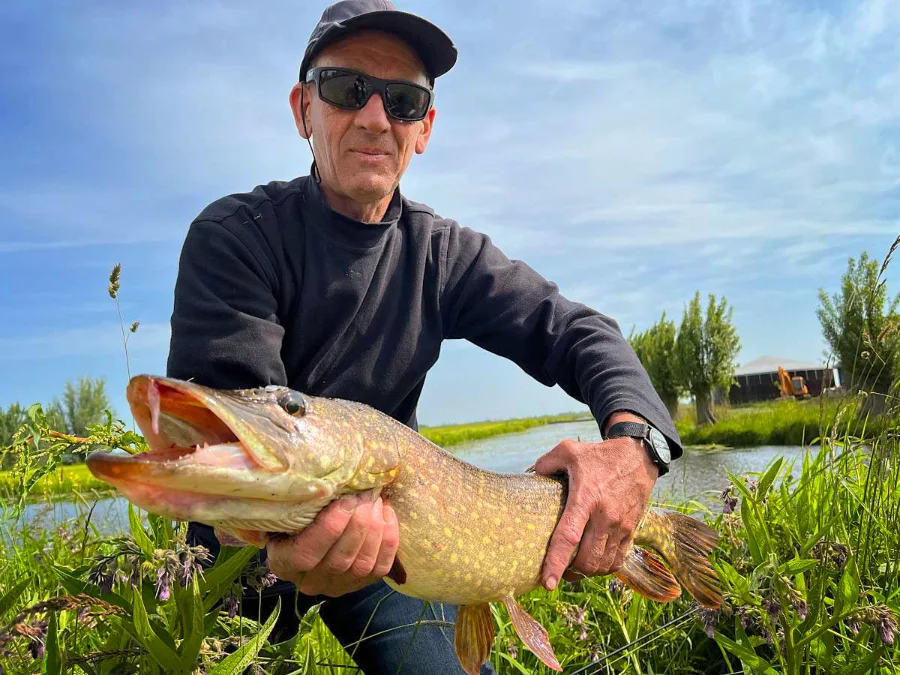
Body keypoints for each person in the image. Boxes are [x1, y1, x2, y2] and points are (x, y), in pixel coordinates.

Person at [166, 1, 681, 672]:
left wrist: (636, 445)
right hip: (246, 546)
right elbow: (250, 449)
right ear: (303, 110)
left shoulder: (444, 255)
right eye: (348, 89)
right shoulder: (236, 238)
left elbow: (577, 331)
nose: (377, 118)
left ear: (425, 128)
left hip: (398, 540)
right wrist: (276, 529)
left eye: (404, 100)